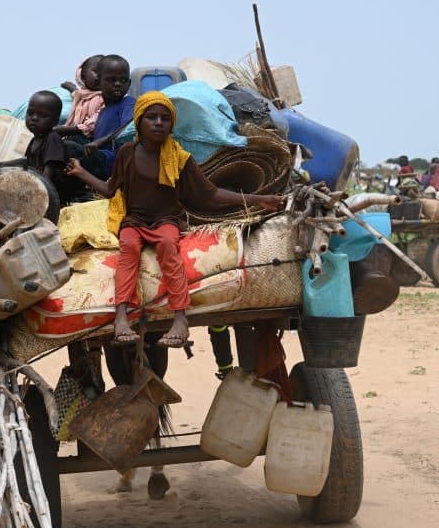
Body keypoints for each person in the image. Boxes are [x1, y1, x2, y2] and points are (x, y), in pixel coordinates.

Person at [66, 91, 285, 348]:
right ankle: (122, 317)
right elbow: (109, 190)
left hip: (165, 220)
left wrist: (259, 199)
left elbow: (211, 192)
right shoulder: (126, 154)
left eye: (164, 118)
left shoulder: (180, 159)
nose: (158, 123)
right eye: (151, 117)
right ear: (139, 122)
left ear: (172, 124)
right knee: (129, 248)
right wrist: (81, 173)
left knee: (170, 249)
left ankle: (180, 319)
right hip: (134, 221)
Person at [23, 90, 93, 205]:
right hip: (49, 194)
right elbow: (25, 163)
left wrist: (34, 196)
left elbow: (48, 173)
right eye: (30, 113)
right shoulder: (33, 141)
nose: (34, 118)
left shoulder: (52, 138)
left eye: (42, 115)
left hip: (67, 199)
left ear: (55, 121)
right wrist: (1, 165)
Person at [84, 54, 134, 178]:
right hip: (100, 159)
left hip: (113, 161)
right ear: (98, 82)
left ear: (129, 83)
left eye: (123, 80)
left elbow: (127, 128)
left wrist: (98, 143)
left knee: (72, 149)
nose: (118, 84)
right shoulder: (101, 112)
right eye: (111, 80)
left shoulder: (129, 103)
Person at [56, 54, 104, 142]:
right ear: (83, 76)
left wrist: (67, 130)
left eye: (104, 73)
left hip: (88, 139)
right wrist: (71, 87)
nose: (99, 76)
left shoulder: (104, 99)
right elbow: (77, 94)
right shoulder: (81, 95)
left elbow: (95, 122)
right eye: (96, 71)